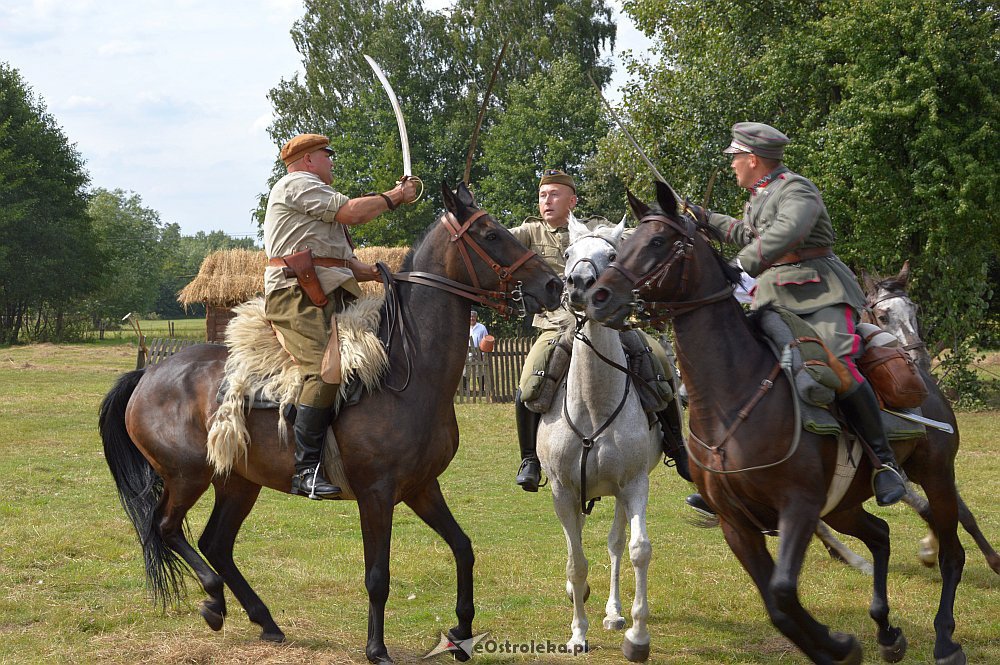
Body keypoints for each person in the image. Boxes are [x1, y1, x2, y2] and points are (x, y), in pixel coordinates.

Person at [685, 122, 907, 508]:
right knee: (744, 370)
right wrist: (702, 216)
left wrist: (741, 264)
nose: (733, 164)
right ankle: (735, 471)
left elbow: (786, 231)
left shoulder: (796, 189)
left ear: (753, 159)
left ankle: (884, 463)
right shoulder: (761, 195)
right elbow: (746, 231)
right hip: (773, 295)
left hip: (819, 292)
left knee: (836, 366)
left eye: (736, 157)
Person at [509, 169, 689, 492]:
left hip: (609, 321)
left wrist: (673, 220)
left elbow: (644, 234)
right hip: (557, 325)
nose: (546, 201)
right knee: (529, 379)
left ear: (572, 200)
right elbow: (497, 240)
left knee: (658, 359)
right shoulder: (530, 234)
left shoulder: (597, 229)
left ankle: (676, 445)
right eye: (542, 195)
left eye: (554, 194)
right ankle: (530, 459)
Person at [263, 133, 418, 499]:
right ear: (308, 160)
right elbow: (353, 212)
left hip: (331, 292)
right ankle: (305, 470)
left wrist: (376, 273)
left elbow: (337, 261)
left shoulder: (313, 194)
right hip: (297, 295)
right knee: (325, 369)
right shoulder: (297, 183)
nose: (332, 161)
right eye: (326, 155)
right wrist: (396, 197)